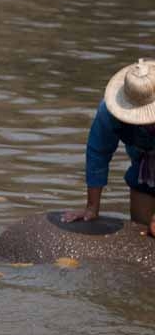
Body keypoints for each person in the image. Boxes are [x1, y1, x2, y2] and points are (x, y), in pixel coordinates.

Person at [63, 59, 155, 236]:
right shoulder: (109, 113)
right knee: (141, 233)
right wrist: (92, 207)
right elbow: (97, 153)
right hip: (144, 167)